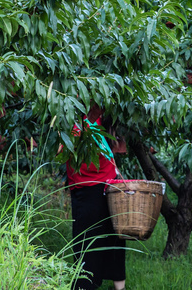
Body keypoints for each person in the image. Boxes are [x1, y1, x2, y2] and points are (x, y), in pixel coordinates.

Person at [66, 104, 126, 290]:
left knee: (115, 239)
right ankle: (85, 285)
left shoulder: (105, 119)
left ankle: (119, 287)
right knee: (87, 242)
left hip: (109, 187)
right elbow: (63, 150)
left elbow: (117, 149)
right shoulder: (71, 116)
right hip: (85, 189)